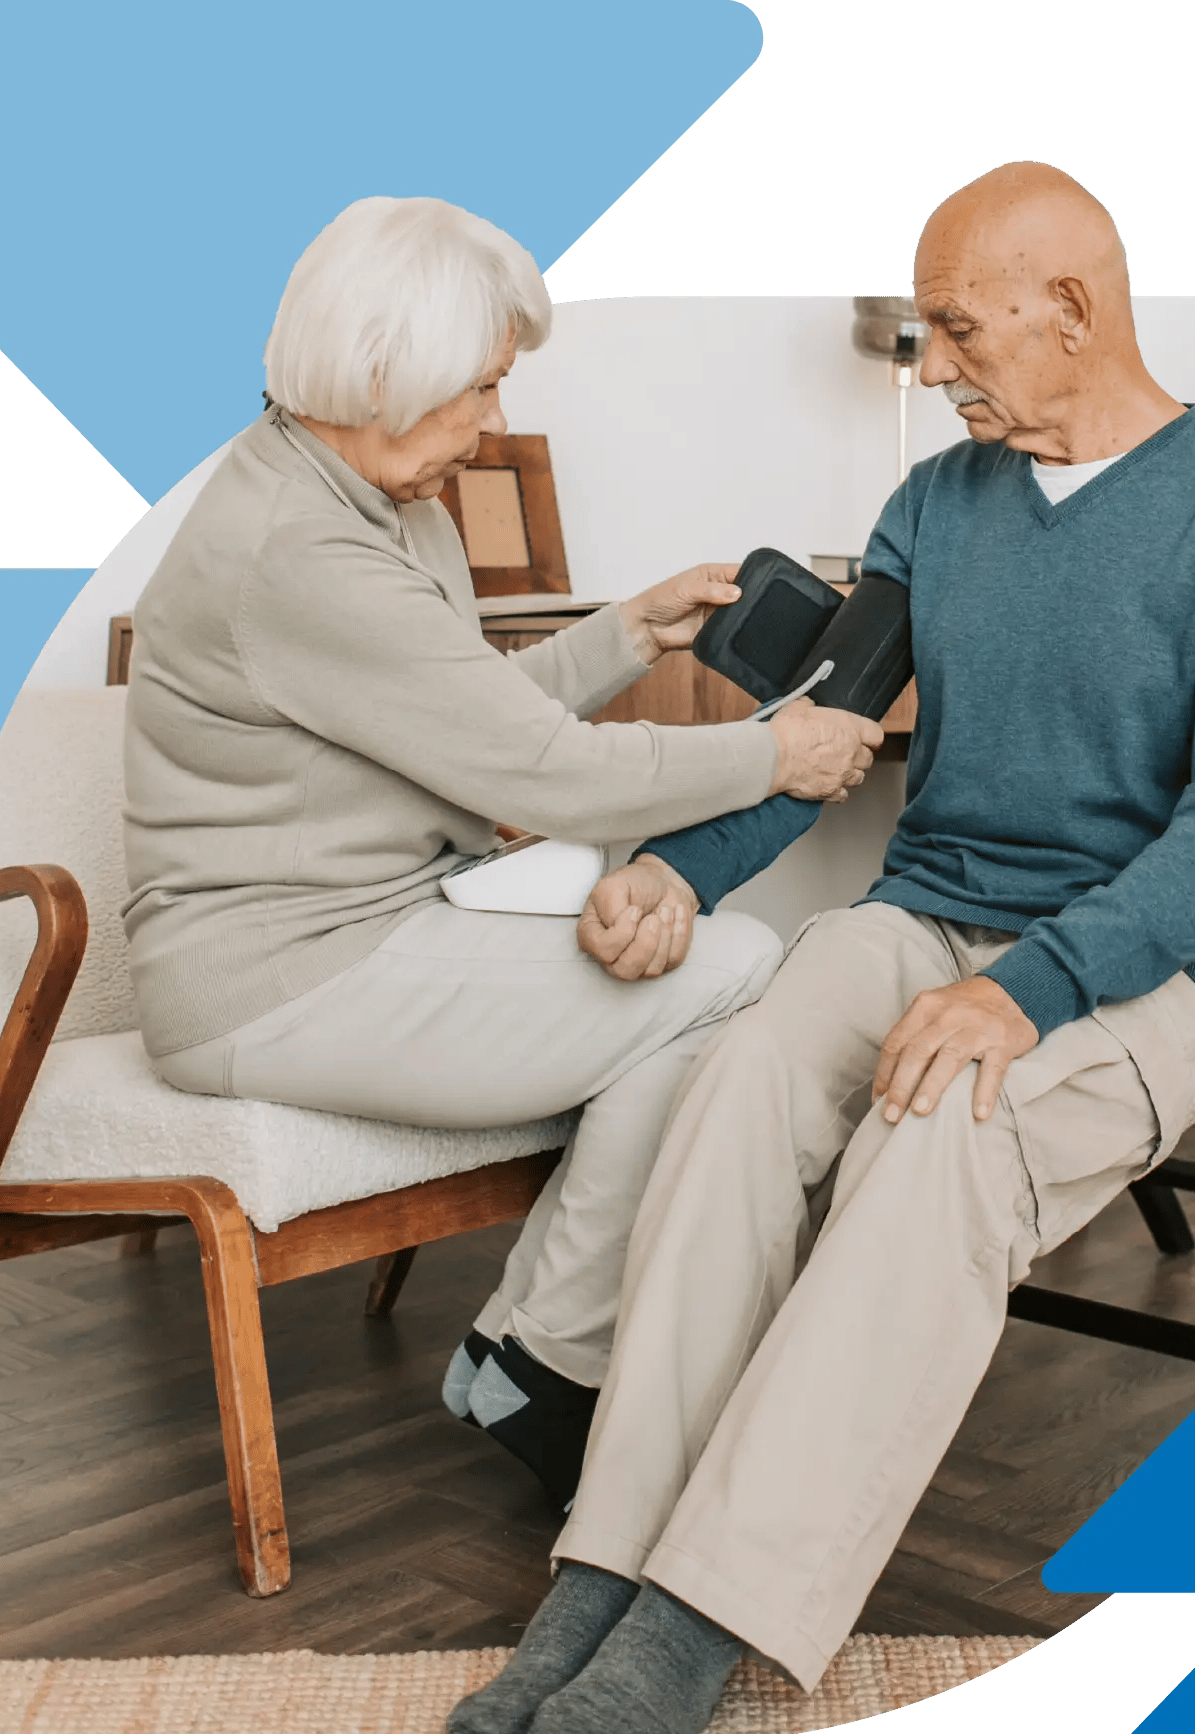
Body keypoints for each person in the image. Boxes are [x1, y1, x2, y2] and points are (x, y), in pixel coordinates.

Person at [450, 161, 1195, 1734]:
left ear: (1074, 309)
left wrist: (1023, 990)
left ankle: (697, 1624)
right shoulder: (933, 500)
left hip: (1157, 967)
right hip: (935, 910)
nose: (930, 367)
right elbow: (829, 731)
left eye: (954, 330)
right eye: (922, 335)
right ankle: (601, 1573)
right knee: (739, 1082)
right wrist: (684, 873)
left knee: (942, 1141)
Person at [122, 196, 883, 1503]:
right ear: (382, 376)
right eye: (478, 390)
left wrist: (627, 632)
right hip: (272, 979)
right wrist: (780, 754)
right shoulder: (291, 547)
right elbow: (545, 775)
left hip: (374, 926)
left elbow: (470, 716)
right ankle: (546, 1359)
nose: (490, 426)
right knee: (732, 969)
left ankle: (534, 1358)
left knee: (695, 971)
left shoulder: (374, 498)